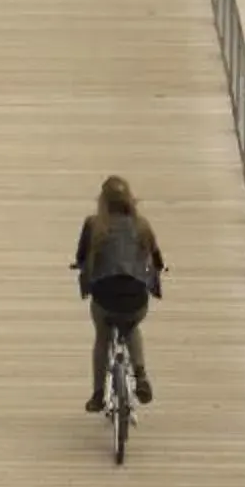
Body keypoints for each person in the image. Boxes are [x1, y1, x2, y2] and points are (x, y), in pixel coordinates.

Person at [74, 175, 164, 411]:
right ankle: (140, 374)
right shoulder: (142, 225)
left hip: (105, 295)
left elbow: (81, 257)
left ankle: (98, 395)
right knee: (132, 325)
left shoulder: (94, 225)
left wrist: (82, 266)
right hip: (135, 294)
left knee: (102, 336)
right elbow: (156, 258)